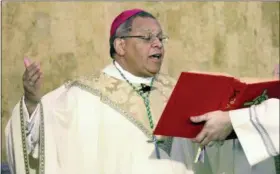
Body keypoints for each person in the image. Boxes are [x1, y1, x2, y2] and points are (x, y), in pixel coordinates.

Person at [4, 8, 278, 174]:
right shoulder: (82, 94)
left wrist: (238, 120)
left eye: (160, 38)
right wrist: (30, 100)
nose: (157, 44)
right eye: (147, 38)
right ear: (120, 45)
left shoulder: (181, 91)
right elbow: (37, 134)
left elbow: (218, 149)